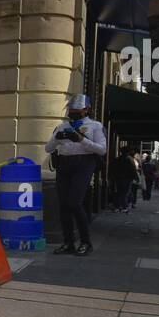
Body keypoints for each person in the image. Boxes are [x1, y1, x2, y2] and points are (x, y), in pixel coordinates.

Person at [45, 94, 108, 255]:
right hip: (64, 164)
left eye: (76, 109)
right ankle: (68, 243)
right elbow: (48, 148)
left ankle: (86, 242)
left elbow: (102, 149)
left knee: (75, 203)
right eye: (71, 109)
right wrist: (57, 138)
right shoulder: (62, 126)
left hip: (84, 164)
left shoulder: (95, 126)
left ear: (86, 110)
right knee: (64, 205)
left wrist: (81, 139)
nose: (72, 112)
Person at [110, 145, 137, 212]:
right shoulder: (129, 160)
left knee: (119, 192)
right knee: (125, 193)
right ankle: (124, 206)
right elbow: (133, 170)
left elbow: (113, 169)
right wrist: (135, 177)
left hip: (118, 178)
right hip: (127, 178)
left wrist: (113, 177)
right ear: (128, 152)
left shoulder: (117, 159)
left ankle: (118, 206)